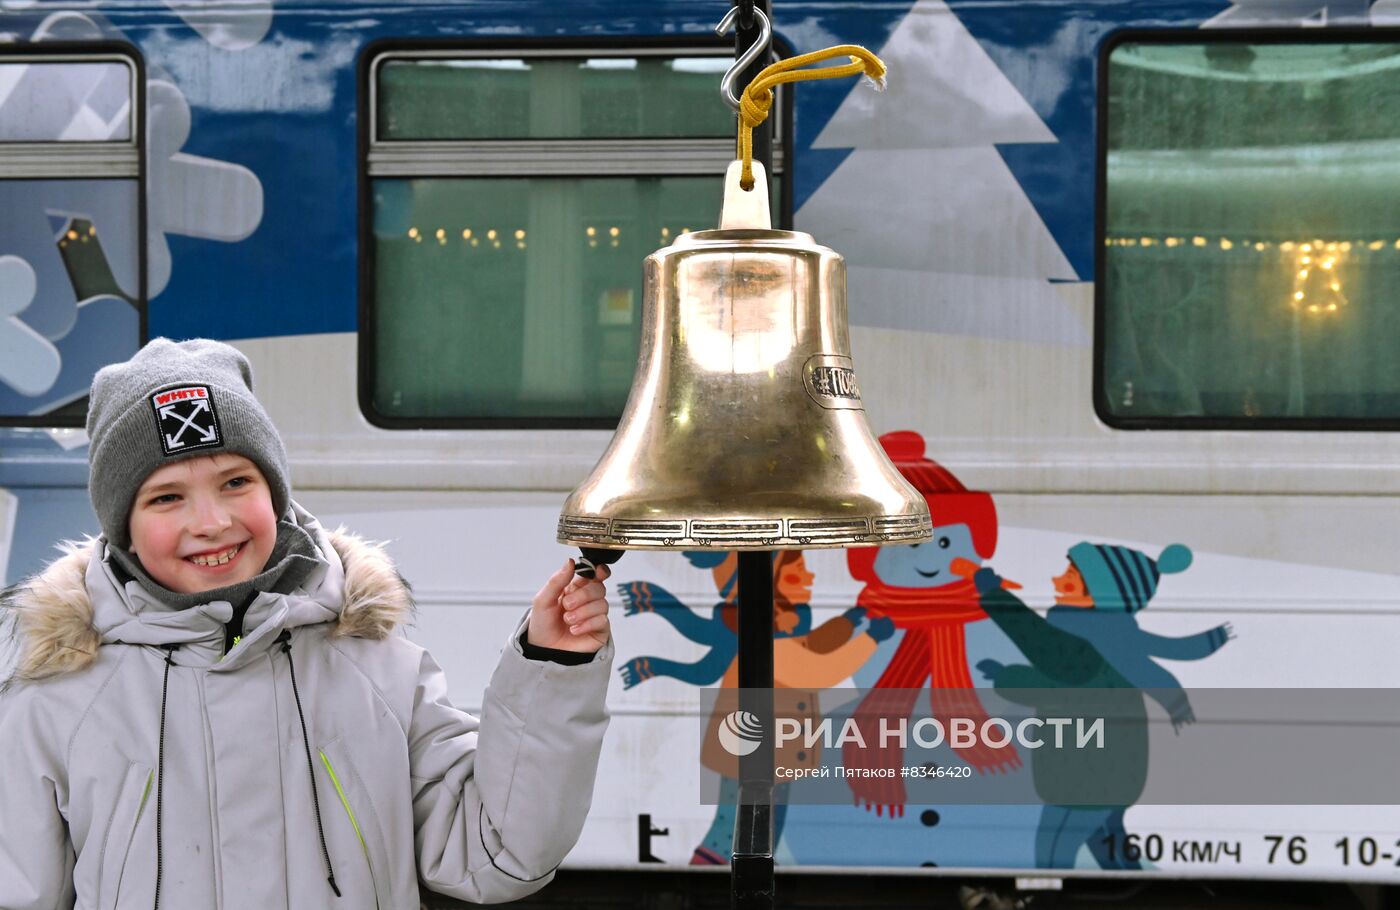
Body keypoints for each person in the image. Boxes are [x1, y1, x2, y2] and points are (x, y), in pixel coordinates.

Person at [0, 338, 613, 908]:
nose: (210, 521)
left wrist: (552, 669)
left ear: (276, 495)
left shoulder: (376, 666)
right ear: (122, 525)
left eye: (236, 482)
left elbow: (496, 853)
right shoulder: (57, 695)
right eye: (167, 497)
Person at [971, 542, 1232, 869]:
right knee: (1113, 854)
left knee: (1052, 855)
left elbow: (1043, 655)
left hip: (1083, 779)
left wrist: (996, 606)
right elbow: (1064, 680)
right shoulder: (1108, 639)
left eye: (1069, 576)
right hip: (1113, 775)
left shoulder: (1086, 637)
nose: (1056, 581)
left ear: (1098, 593)